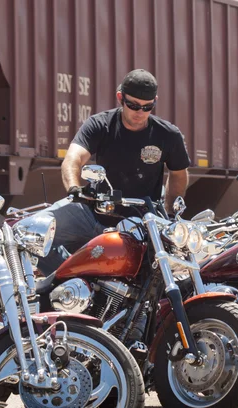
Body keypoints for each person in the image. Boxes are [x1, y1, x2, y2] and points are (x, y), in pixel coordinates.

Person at [36, 69, 191, 276]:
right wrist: (74, 189)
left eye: (147, 107)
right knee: (31, 233)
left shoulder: (168, 135)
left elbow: (178, 174)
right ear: (120, 97)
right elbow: (73, 158)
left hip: (138, 221)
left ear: (155, 101)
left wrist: (170, 213)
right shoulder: (100, 124)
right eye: (134, 105)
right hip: (90, 212)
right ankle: (66, 281)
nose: (140, 112)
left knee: (144, 274)